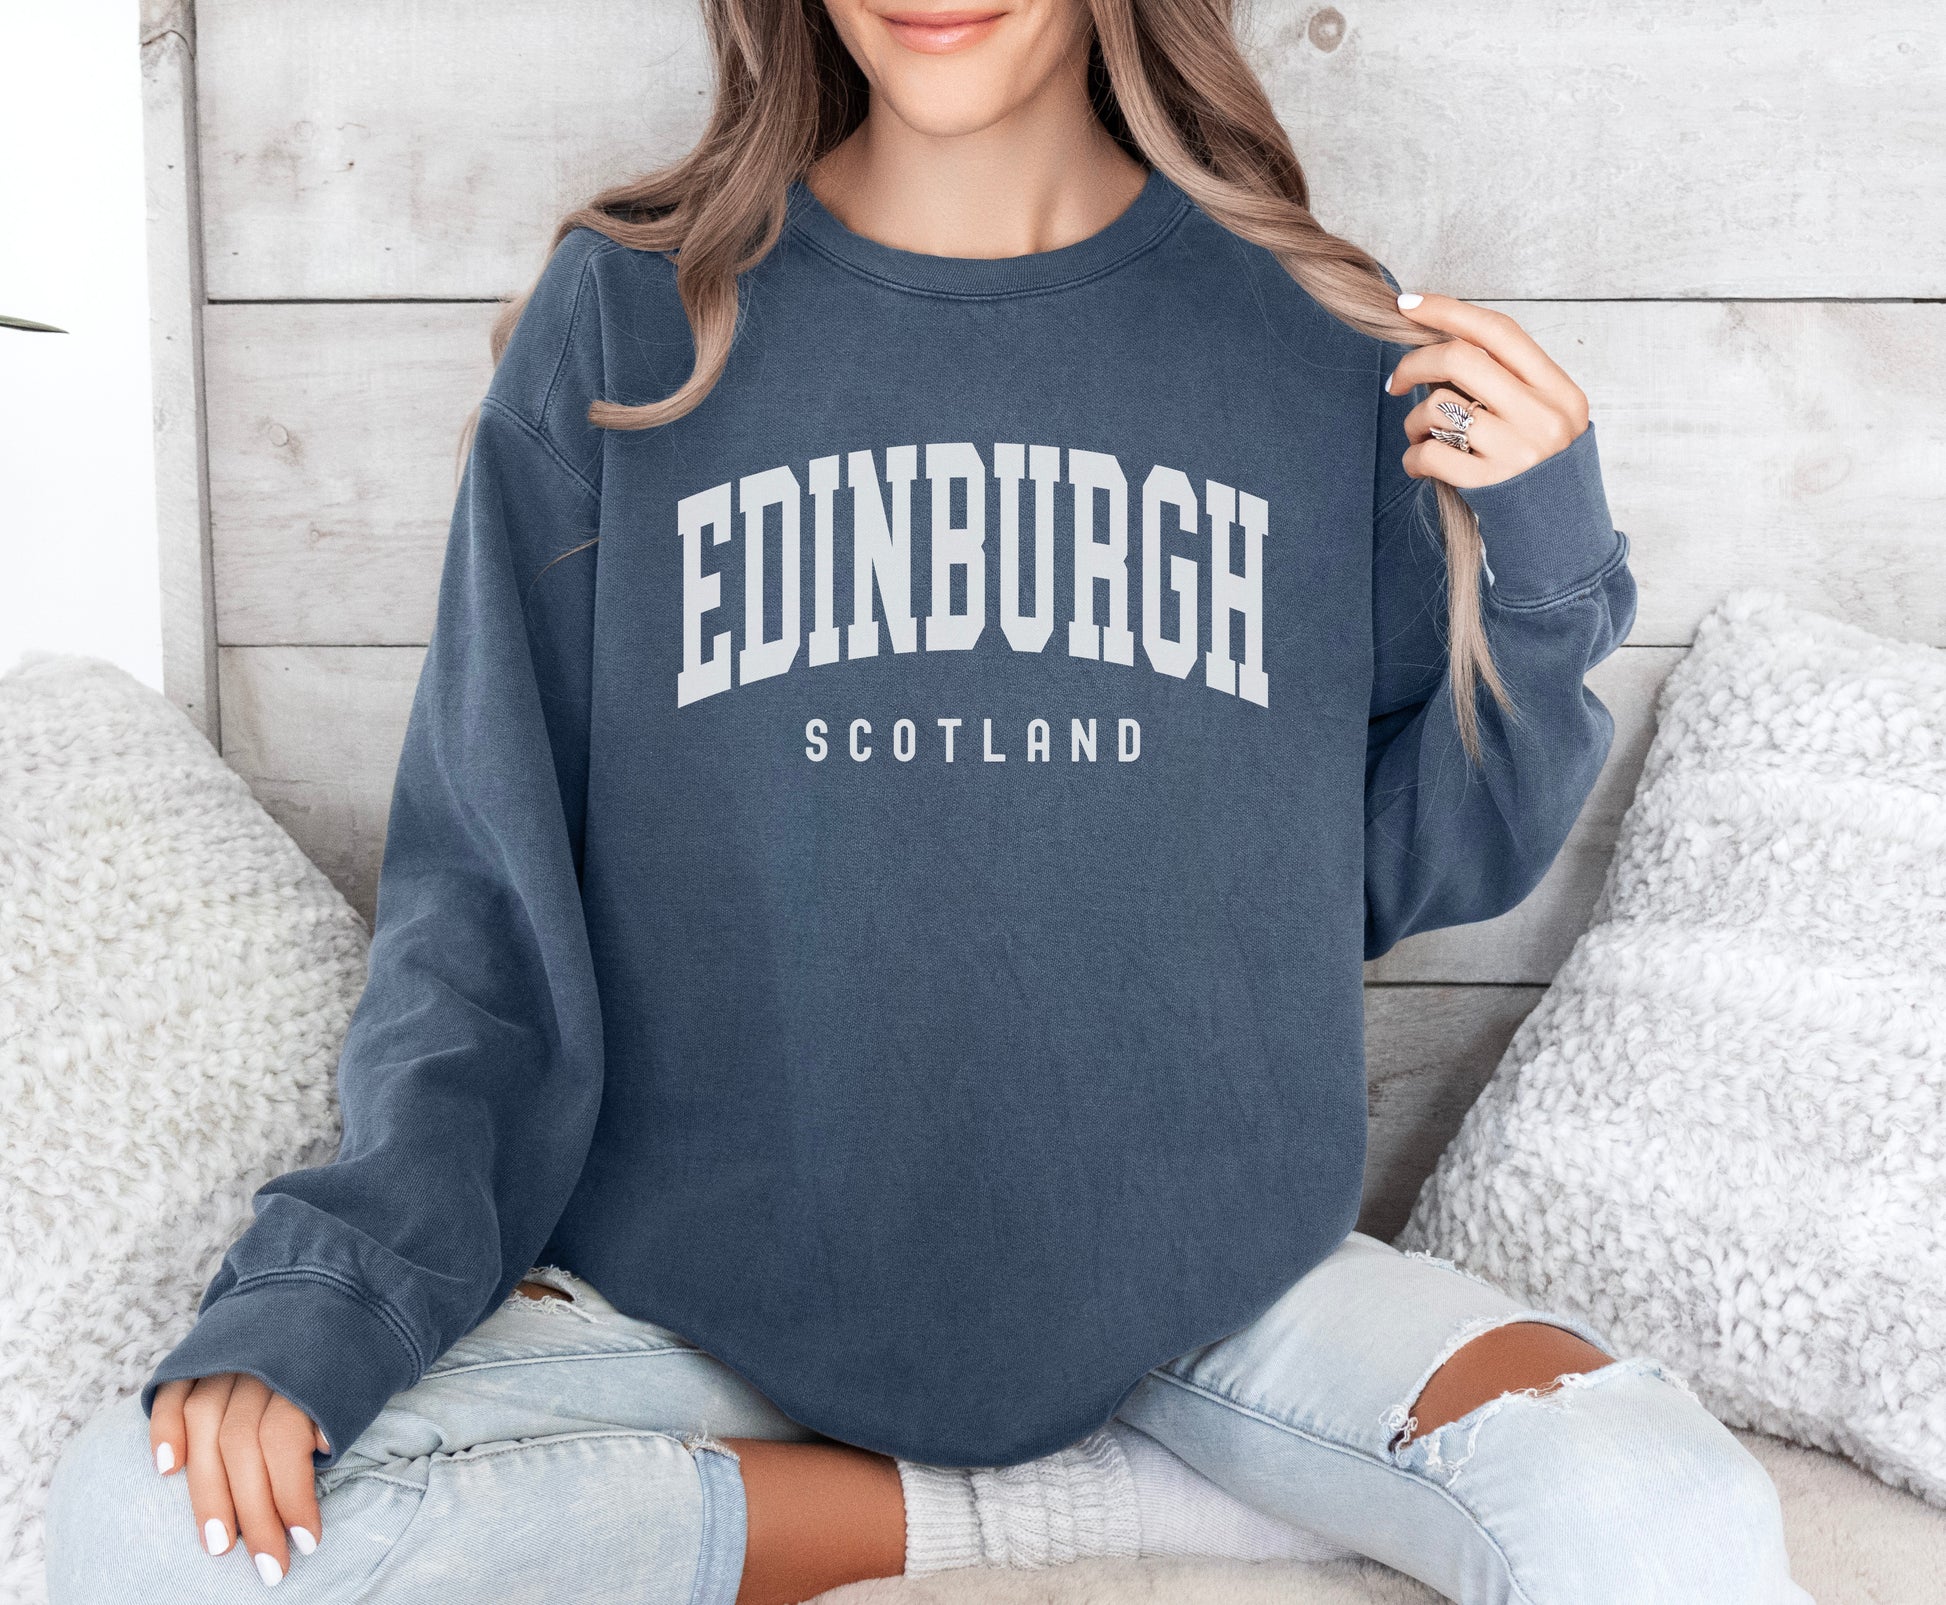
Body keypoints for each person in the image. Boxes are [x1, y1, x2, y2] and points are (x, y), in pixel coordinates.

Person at [46, 0, 1811, 1600]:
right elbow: (484, 908)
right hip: (701, 1290)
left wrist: (1542, 570)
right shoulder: (628, 312)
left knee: (1661, 1517)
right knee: (148, 1530)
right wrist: (326, 1291)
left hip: (1210, 1291)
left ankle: (1074, 1461)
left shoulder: (1308, 334)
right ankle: (1005, 1507)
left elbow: (1386, 866)